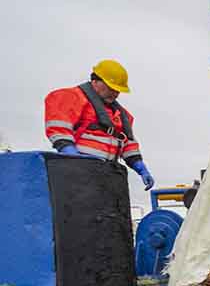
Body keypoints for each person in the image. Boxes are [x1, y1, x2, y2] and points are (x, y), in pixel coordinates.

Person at [44, 59, 156, 190]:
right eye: (111, 88)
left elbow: (128, 144)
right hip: (78, 174)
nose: (115, 93)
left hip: (108, 175)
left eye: (118, 90)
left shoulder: (122, 115)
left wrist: (141, 168)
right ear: (95, 81)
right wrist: (72, 157)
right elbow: (59, 129)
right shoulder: (71, 97)